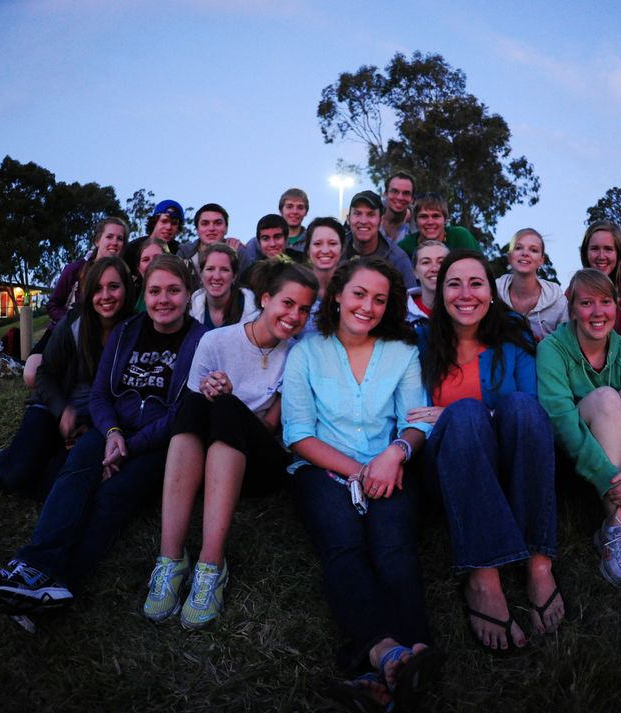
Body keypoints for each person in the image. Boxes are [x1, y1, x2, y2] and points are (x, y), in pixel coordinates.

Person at [0, 255, 207, 614]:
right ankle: (32, 566)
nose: (163, 299)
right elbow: (100, 394)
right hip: (112, 428)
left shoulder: (201, 341)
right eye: (155, 290)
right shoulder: (127, 331)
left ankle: (61, 584)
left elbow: (181, 413)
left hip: (159, 443)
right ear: (144, 294)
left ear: (188, 294)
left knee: (112, 494)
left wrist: (128, 446)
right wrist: (112, 433)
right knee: (78, 469)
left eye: (173, 291)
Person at [282, 257, 444, 712]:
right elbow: (298, 435)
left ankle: (403, 660)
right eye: (359, 294)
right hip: (322, 469)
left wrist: (395, 454)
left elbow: (416, 423)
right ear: (337, 294)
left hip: (389, 465)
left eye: (379, 299)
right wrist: (357, 472)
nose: (367, 307)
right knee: (344, 548)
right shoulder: (306, 353)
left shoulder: (402, 353)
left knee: (394, 547)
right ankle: (390, 654)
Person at [142, 261, 319, 628]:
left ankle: (211, 564)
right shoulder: (216, 341)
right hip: (208, 459)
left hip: (261, 464)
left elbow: (271, 425)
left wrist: (228, 401)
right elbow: (191, 417)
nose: (294, 316)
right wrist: (211, 395)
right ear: (266, 299)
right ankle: (170, 558)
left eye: (304, 309)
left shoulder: (297, 355)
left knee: (223, 404)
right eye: (287, 303)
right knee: (195, 402)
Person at [412, 250, 562, 654]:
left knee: (522, 407)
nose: (465, 294)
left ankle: (537, 561)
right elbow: (413, 416)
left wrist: (467, 411)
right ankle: (484, 574)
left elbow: (532, 405)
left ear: (492, 293)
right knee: (463, 416)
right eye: (453, 284)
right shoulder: (422, 340)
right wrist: (456, 414)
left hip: (506, 459)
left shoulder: (513, 333)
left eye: (476, 283)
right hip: (447, 463)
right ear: (440, 293)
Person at [0, 257, 136, 499]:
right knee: (20, 473)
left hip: (91, 423)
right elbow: (45, 374)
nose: (105, 295)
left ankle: (12, 468)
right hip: (51, 406)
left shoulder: (132, 331)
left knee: (58, 483)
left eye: (114, 286)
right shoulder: (73, 325)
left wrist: (94, 426)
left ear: (127, 288)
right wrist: (62, 410)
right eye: (97, 288)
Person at [536, 268, 621, 588]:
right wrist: (608, 482)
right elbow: (561, 420)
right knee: (608, 398)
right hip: (572, 460)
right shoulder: (552, 349)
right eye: (586, 303)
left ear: (616, 307)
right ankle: (616, 523)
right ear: (572, 310)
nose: (597, 312)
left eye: (606, 302)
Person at [24, 217, 129, 388]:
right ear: (97, 240)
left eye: (120, 238)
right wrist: (74, 323)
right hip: (62, 333)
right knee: (31, 374)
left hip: (100, 339)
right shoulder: (75, 269)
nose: (115, 242)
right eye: (109, 237)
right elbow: (53, 305)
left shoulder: (123, 275)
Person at [496, 228, 567, 341]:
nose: (525, 253)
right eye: (518, 248)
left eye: (533, 250)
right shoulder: (493, 294)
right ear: (510, 257)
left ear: (541, 260)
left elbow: (566, 344)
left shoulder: (559, 303)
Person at [580, 220, 621, 339]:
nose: (601, 256)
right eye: (595, 249)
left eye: (608, 249)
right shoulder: (576, 290)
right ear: (585, 253)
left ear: (619, 253)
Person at [342, 190, 417, 288]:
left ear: (381, 220)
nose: (363, 221)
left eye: (371, 214)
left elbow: (411, 297)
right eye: (357, 213)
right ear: (348, 219)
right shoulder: (336, 251)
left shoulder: (397, 259)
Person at [176, 203, 247, 289]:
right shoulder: (184, 254)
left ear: (226, 228)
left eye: (217, 223)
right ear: (197, 229)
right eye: (205, 224)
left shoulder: (239, 253)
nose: (211, 228)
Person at [189, 243, 257, 329]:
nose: (217, 276)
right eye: (210, 269)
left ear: (234, 276)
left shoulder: (254, 314)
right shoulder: (191, 312)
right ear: (201, 274)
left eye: (224, 270)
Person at [396, 193, 481, 258]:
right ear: (416, 221)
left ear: (445, 219)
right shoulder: (404, 248)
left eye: (436, 216)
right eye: (423, 216)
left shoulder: (460, 237)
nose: (430, 222)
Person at [301, 216, 344, 339]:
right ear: (308, 250)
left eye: (332, 243)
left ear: (342, 248)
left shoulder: (352, 291)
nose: (325, 250)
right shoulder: (298, 291)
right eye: (317, 244)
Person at [238, 214, 306, 288]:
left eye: (277, 237)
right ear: (259, 242)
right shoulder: (250, 274)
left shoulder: (303, 261)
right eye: (266, 238)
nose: (272, 244)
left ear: (286, 239)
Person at [406, 240, 448, 322]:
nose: (434, 268)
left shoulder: (463, 310)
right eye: (426, 262)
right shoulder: (399, 311)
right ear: (415, 272)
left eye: (441, 262)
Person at [126, 237, 168, 312]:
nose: (152, 263)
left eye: (157, 257)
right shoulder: (129, 296)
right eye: (146, 259)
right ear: (139, 268)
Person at [381, 171, 415, 243]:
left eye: (406, 193)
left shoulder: (419, 226)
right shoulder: (371, 220)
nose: (400, 198)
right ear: (385, 194)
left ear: (412, 199)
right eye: (394, 191)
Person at [279, 188, 310, 253]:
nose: (295, 211)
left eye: (300, 207)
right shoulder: (260, 243)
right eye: (289, 207)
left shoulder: (313, 241)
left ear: (306, 212)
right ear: (281, 211)